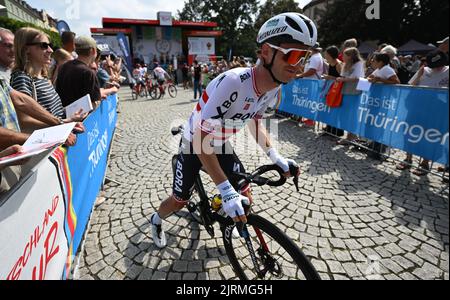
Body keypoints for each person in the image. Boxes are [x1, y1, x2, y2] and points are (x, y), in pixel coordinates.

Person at [149, 12, 317, 248]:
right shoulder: (234, 82)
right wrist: (225, 190)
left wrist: (276, 157)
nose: (299, 66)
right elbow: (200, 140)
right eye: (294, 55)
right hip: (194, 142)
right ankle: (156, 220)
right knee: (180, 201)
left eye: (305, 57)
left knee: (245, 190)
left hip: (217, 142)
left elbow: (254, 122)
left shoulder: (274, 88)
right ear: (266, 52)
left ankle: (232, 216)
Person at [396, 50, 449, 175]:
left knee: (430, 135)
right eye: (434, 65)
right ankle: (408, 159)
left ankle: (425, 163)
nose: (437, 68)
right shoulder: (424, 69)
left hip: (437, 109)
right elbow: (411, 86)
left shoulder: (448, 71)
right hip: (417, 107)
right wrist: (419, 75)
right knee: (409, 132)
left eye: (439, 65)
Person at [10, 27, 69, 131]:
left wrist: (71, 114)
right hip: (48, 140)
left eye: (49, 45)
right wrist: (62, 124)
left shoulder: (44, 77)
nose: (50, 50)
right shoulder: (22, 78)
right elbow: (25, 122)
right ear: (26, 48)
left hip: (59, 134)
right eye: (44, 46)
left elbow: (52, 112)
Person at [56, 36, 118, 108]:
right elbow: (93, 104)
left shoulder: (64, 66)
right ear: (93, 51)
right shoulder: (88, 72)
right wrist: (106, 93)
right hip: (82, 117)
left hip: (64, 114)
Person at [336, 47, 365, 146]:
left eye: (344, 55)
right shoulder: (346, 64)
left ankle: (351, 136)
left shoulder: (359, 64)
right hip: (346, 91)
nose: (342, 56)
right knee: (346, 114)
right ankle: (349, 135)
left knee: (352, 114)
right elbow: (343, 75)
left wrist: (343, 80)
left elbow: (357, 78)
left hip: (354, 91)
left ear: (350, 56)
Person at [322, 45, 344, 137]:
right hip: (331, 88)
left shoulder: (338, 64)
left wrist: (330, 77)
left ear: (330, 55)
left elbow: (342, 78)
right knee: (330, 107)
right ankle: (329, 128)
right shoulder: (330, 63)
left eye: (326, 54)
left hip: (338, 90)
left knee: (336, 109)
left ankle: (337, 130)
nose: (325, 55)